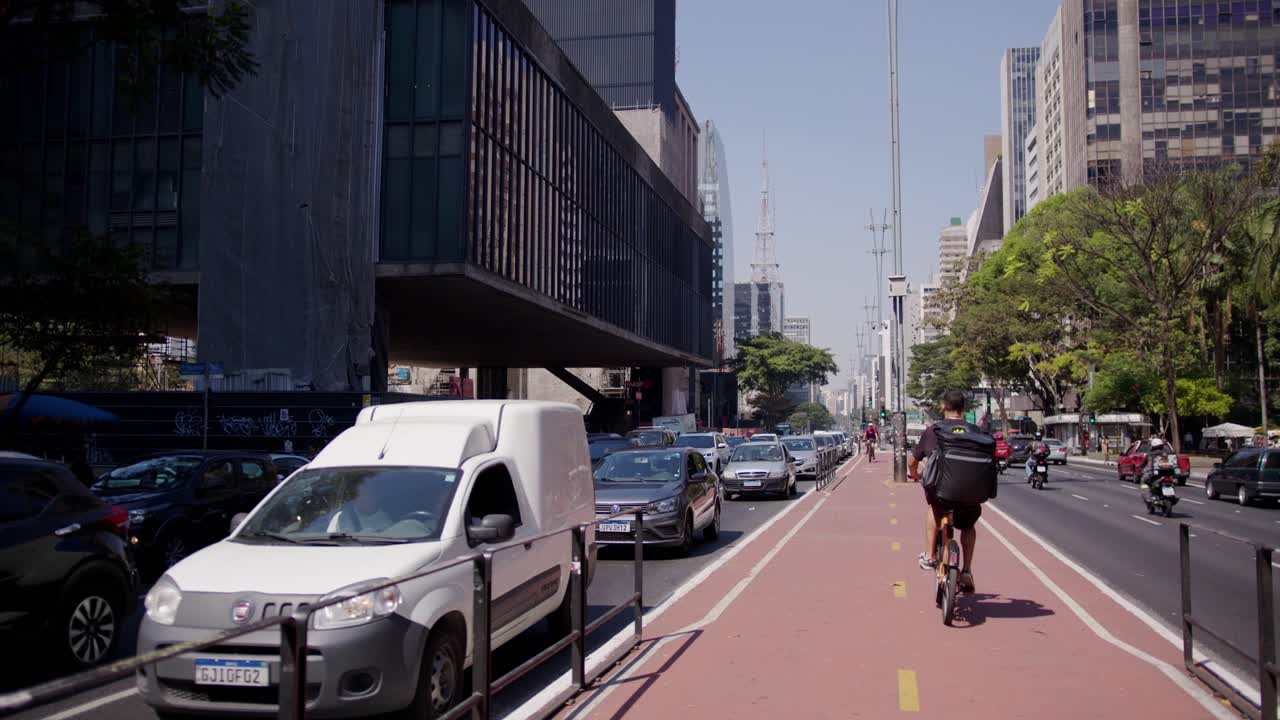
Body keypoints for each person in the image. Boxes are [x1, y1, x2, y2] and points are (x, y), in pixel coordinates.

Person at [908, 389, 988, 594]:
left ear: (943, 407)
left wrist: (915, 475)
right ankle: (968, 570)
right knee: (968, 526)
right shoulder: (976, 431)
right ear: (964, 409)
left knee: (933, 510)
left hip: (942, 494)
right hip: (971, 494)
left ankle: (929, 555)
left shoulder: (933, 431)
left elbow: (912, 462)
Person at [1140, 438, 1179, 503]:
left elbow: (1143, 464)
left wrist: (1141, 467)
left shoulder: (1150, 454)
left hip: (1155, 474)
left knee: (1143, 481)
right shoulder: (1170, 453)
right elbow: (1176, 463)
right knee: (1173, 481)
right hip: (1169, 473)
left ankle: (1148, 497)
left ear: (1153, 446)